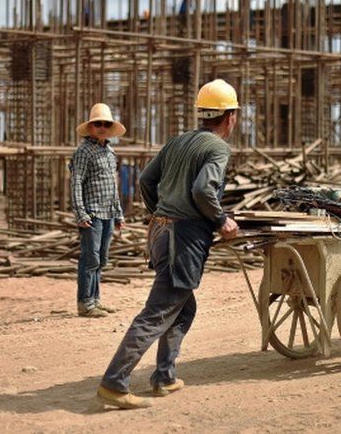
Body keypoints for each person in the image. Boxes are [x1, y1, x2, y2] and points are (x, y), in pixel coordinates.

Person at [95, 79, 241, 410]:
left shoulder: (178, 141)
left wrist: (162, 213)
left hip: (161, 233)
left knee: (183, 307)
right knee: (159, 311)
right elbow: (204, 190)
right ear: (230, 116)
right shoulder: (218, 148)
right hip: (183, 237)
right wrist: (221, 220)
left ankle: (165, 376)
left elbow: (147, 180)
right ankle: (114, 383)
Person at [70, 103, 127, 318]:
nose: (102, 127)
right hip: (92, 214)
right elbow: (76, 183)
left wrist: (118, 213)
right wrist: (80, 213)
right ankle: (85, 303)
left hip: (108, 213)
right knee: (89, 258)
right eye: (97, 124)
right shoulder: (83, 151)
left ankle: (95, 300)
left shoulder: (110, 152)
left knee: (101, 258)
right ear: (91, 127)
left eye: (105, 124)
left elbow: (113, 185)